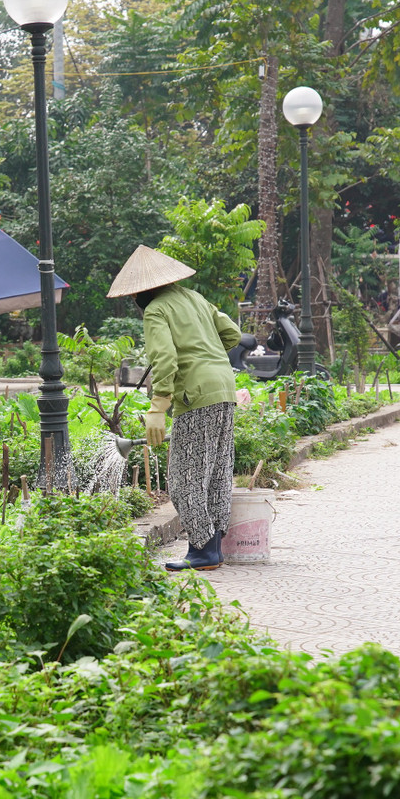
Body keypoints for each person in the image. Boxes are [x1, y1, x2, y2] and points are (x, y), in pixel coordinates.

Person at [107, 245, 241, 572]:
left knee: (182, 478)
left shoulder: (156, 310)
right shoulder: (195, 298)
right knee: (217, 470)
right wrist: (205, 354)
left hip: (195, 396)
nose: (135, 302)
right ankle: (212, 548)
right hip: (224, 387)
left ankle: (202, 549)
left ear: (143, 290)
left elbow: (164, 360)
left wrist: (158, 406)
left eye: (134, 296)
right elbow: (232, 334)